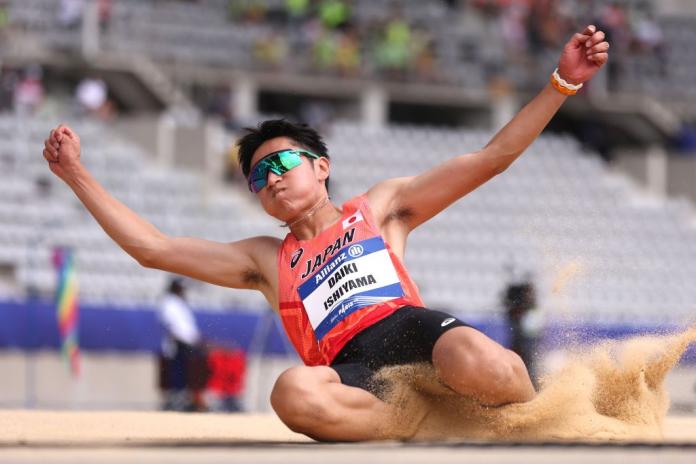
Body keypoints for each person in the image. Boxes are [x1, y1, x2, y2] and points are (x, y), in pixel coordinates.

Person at [42, 25, 609, 441]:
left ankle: (542, 422)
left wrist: (562, 82)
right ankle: (424, 423)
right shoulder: (266, 259)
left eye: (282, 163)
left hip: (411, 331)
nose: (271, 179)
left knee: (478, 361)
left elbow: (492, 158)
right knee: (290, 393)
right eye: (258, 177)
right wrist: (76, 174)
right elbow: (153, 249)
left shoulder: (382, 207)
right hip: (352, 370)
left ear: (320, 165)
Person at [157, 277, 207, 411]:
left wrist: (195, 340)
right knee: (177, 373)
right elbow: (172, 327)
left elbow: (188, 328)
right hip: (178, 344)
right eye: (181, 288)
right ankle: (175, 399)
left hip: (187, 343)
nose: (183, 291)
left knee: (188, 372)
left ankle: (188, 398)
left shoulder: (180, 304)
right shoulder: (168, 303)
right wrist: (189, 341)